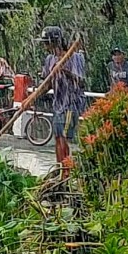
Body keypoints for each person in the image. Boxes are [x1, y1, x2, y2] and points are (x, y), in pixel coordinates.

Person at [41, 26, 87, 167]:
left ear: (55, 42)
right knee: (57, 136)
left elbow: (81, 82)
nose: (45, 46)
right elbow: (47, 82)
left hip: (71, 103)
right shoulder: (50, 59)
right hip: (58, 103)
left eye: (47, 43)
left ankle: (66, 169)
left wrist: (64, 70)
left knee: (64, 138)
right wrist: (33, 97)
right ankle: (59, 166)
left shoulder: (75, 57)